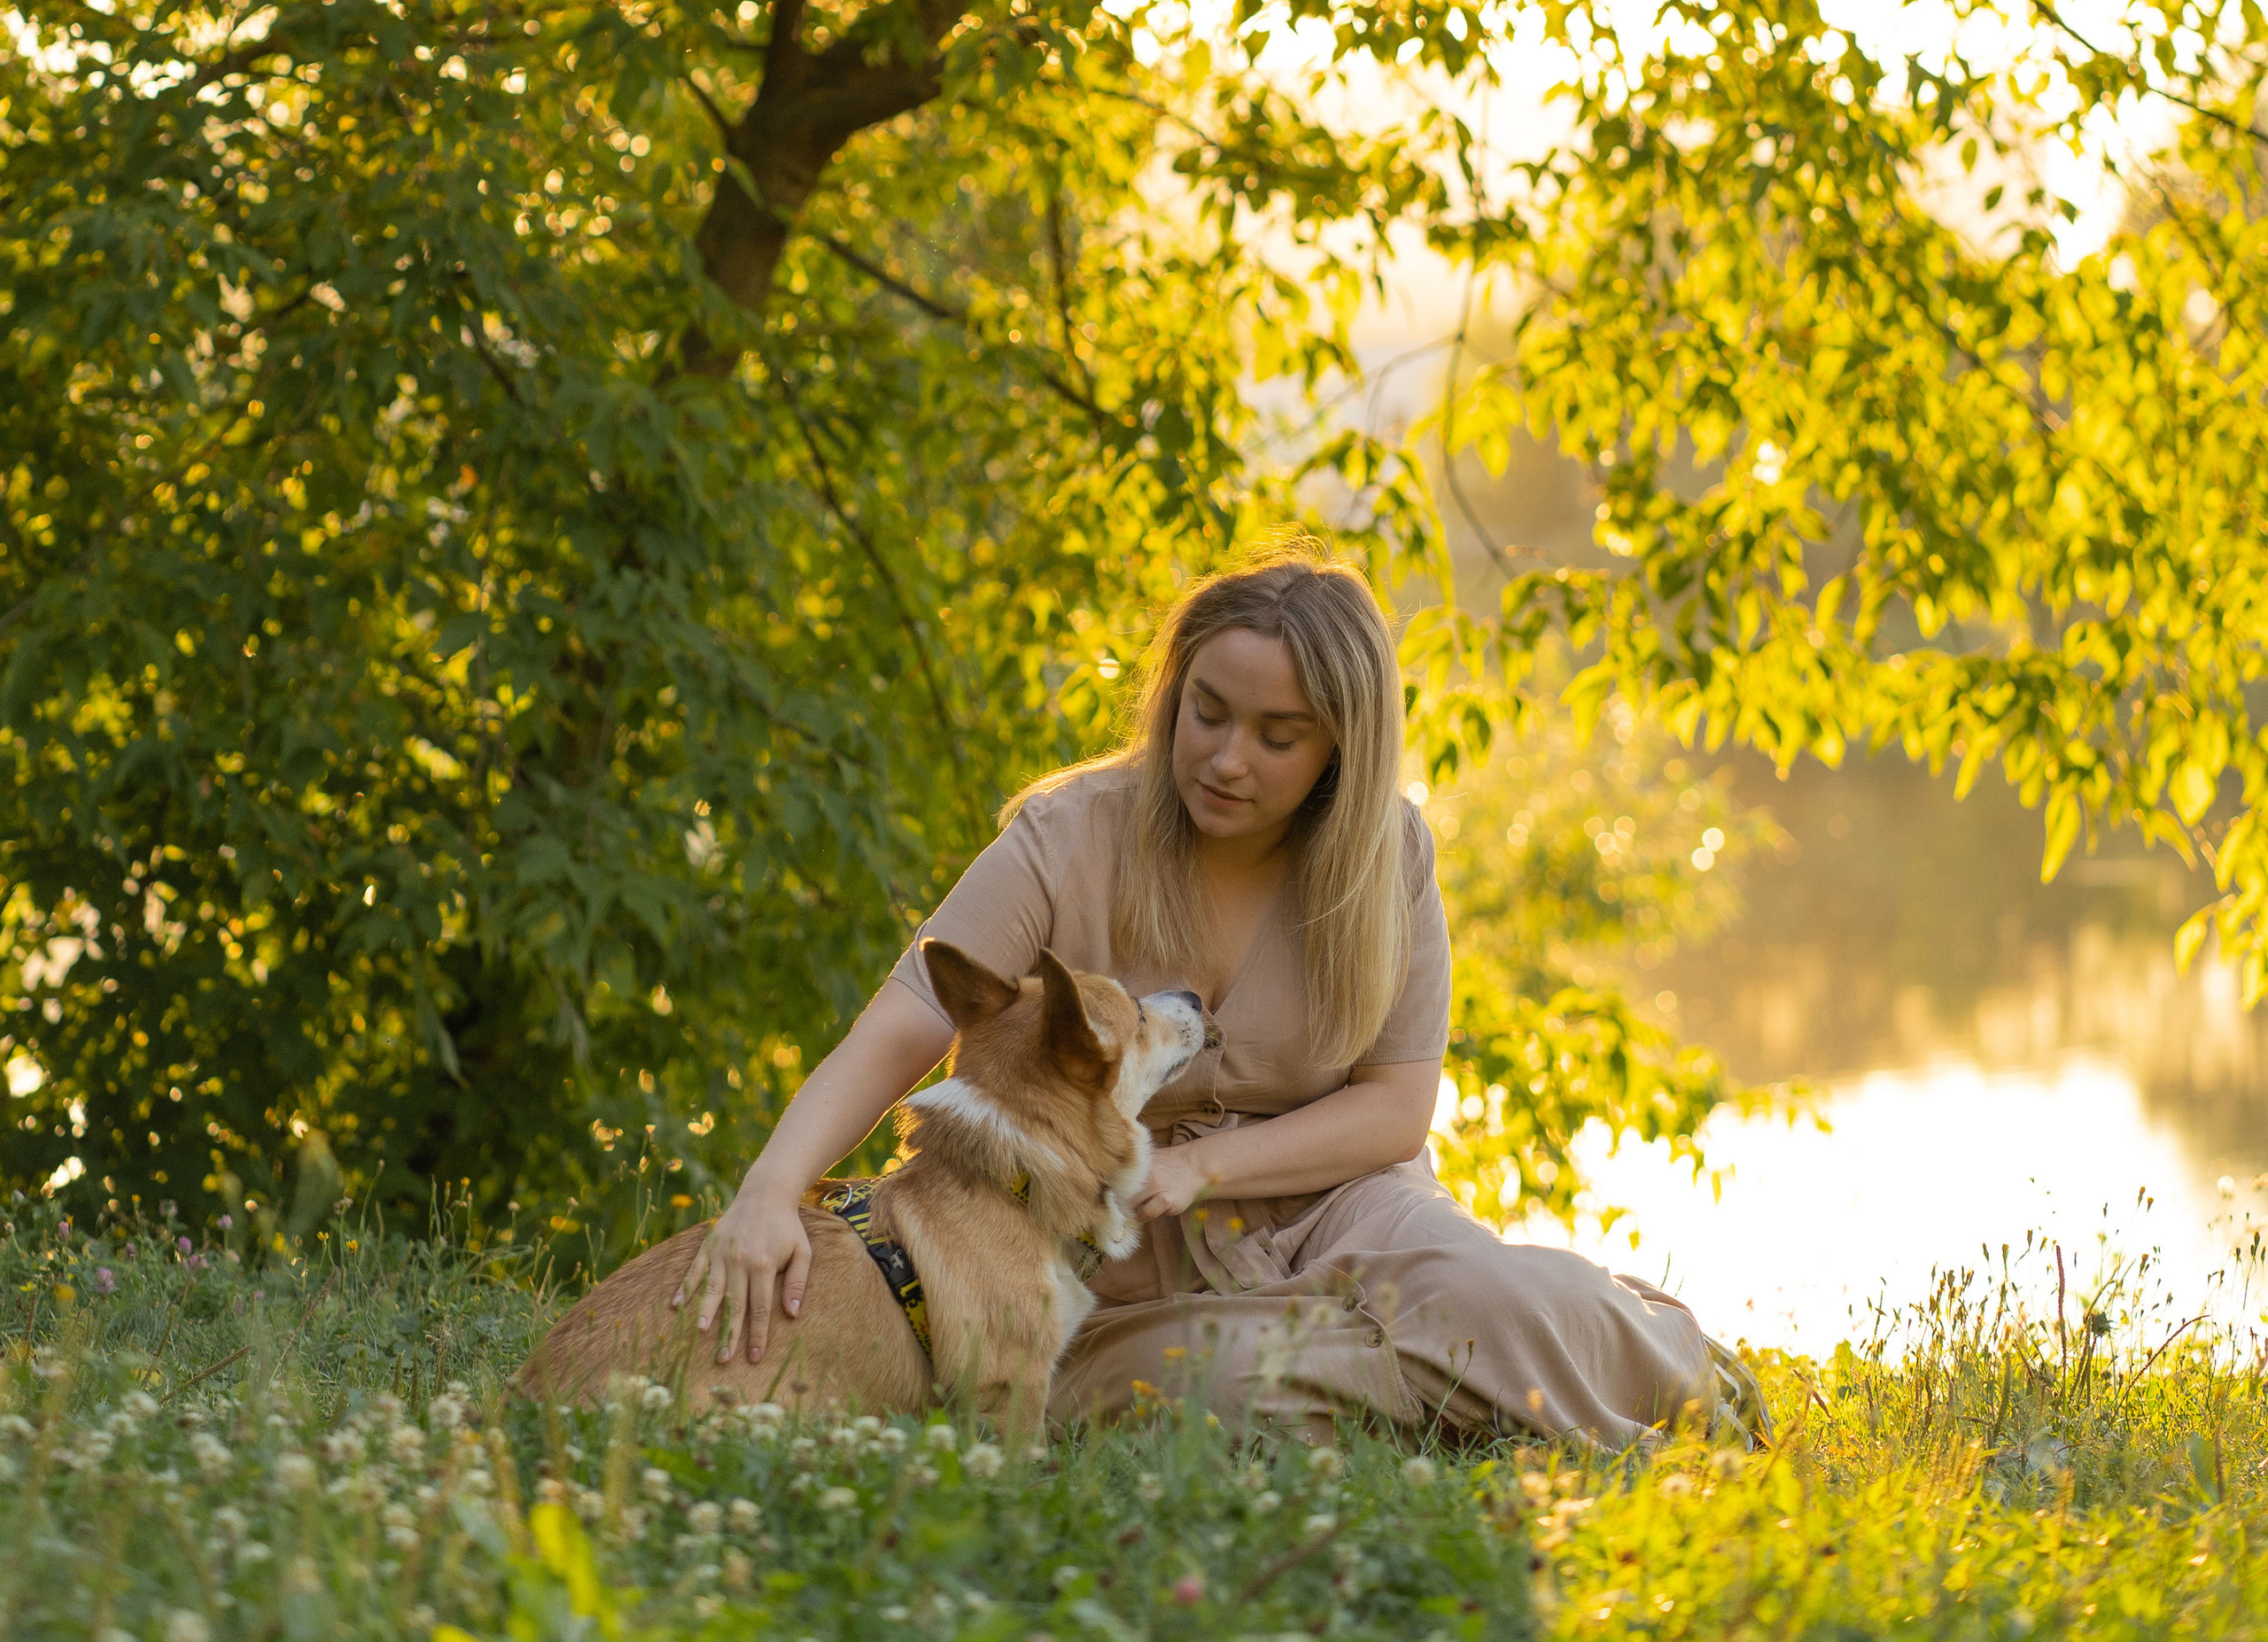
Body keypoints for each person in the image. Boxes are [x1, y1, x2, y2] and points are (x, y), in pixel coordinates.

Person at [682, 554, 1724, 1445]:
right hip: (1123, 1256)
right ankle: (1478, 1372)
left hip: (1343, 1204)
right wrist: (773, 1188)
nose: (1226, 759)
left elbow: (1395, 1109)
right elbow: (902, 1023)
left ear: (1337, 750)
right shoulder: (1065, 834)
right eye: (1207, 714)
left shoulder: (1387, 854)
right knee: (1216, 1386)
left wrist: (1198, 1165)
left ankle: (1614, 1355)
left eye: (1277, 736)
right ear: (1173, 694)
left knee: (1492, 1295)